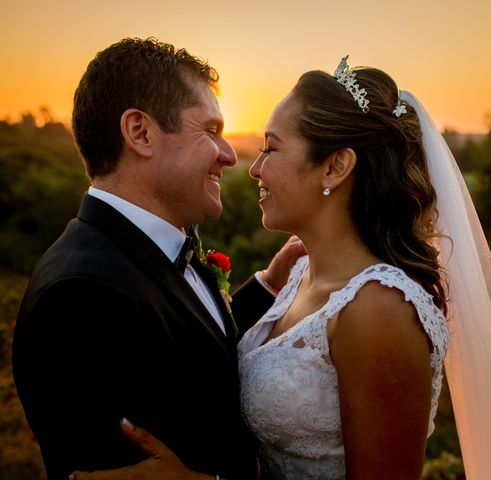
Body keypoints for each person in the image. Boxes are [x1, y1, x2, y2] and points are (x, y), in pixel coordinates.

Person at [72, 56, 491, 479]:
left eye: (272, 148)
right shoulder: (300, 275)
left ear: (334, 167)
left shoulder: (378, 310)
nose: (254, 168)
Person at [12, 37, 303, 480]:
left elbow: (189, 362)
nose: (228, 155)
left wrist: (267, 284)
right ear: (140, 133)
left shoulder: (167, 242)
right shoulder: (80, 296)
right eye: (209, 131)